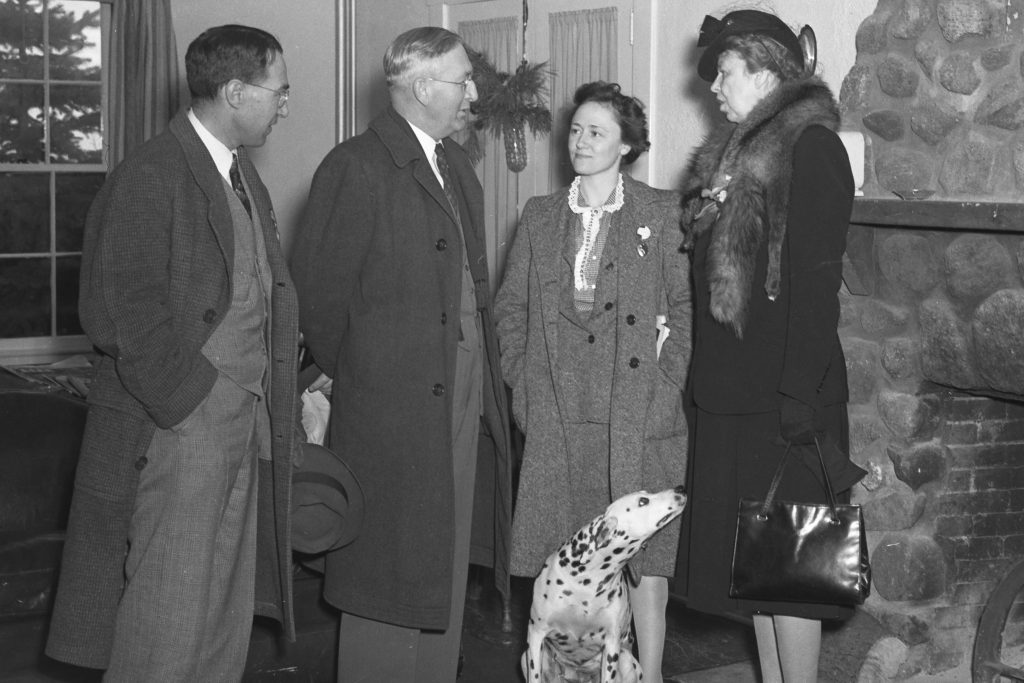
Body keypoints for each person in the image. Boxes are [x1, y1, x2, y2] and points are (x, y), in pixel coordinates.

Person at [44, 24, 299, 681]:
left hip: (238, 422)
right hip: (185, 423)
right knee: (168, 616)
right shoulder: (152, 174)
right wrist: (192, 399)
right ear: (237, 92)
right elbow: (119, 309)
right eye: (280, 89)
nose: (285, 103)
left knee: (219, 617)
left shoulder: (238, 174)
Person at [289, 26, 512, 682]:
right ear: (421, 87)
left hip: (462, 398)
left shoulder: (458, 168)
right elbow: (319, 301)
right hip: (390, 414)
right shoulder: (355, 166)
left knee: (438, 573)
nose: (474, 91)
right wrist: (373, 381)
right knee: (385, 579)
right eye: (462, 79)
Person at [679, 9, 867, 683]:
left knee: (793, 578)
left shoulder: (813, 149)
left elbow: (816, 291)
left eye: (725, 73)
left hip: (786, 399)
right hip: (735, 395)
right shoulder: (731, 159)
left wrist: (797, 397)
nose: (716, 89)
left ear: (761, 71)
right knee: (754, 575)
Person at [494, 81, 691, 683]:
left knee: (645, 559)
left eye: (596, 132)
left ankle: (649, 674)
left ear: (628, 145)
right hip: (559, 411)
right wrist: (525, 389)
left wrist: (664, 386)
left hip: (636, 410)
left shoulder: (661, 211)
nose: (580, 142)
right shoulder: (541, 215)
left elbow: (683, 310)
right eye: (575, 130)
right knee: (565, 559)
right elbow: (510, 311)